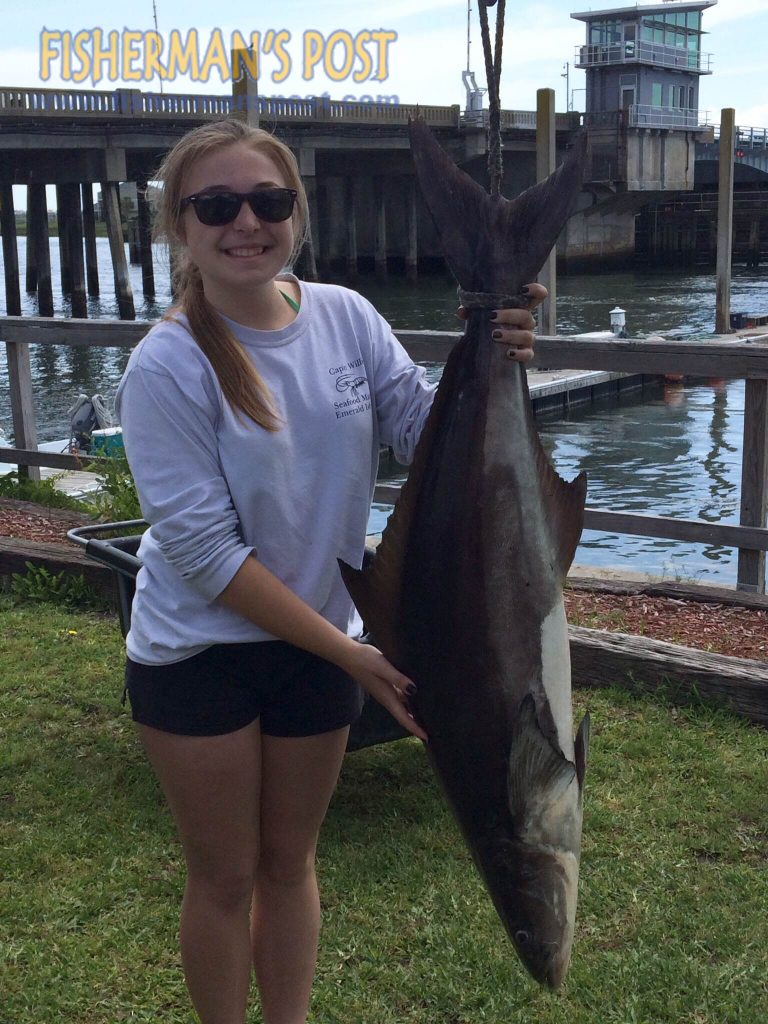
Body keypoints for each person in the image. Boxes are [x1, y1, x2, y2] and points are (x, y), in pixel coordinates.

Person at [115, 117, 545, 1024]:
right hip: (202, 654)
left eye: (268, 202)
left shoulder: (345, 315)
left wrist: (496, 349)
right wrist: (351, 656)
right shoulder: (167, 364)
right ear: (178, 225)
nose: (246, 223)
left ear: (296, 213)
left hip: (322, 646)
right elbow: (206, 556)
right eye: (217, 205)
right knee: (227, 878)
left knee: (292, 864)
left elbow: (421, 434)